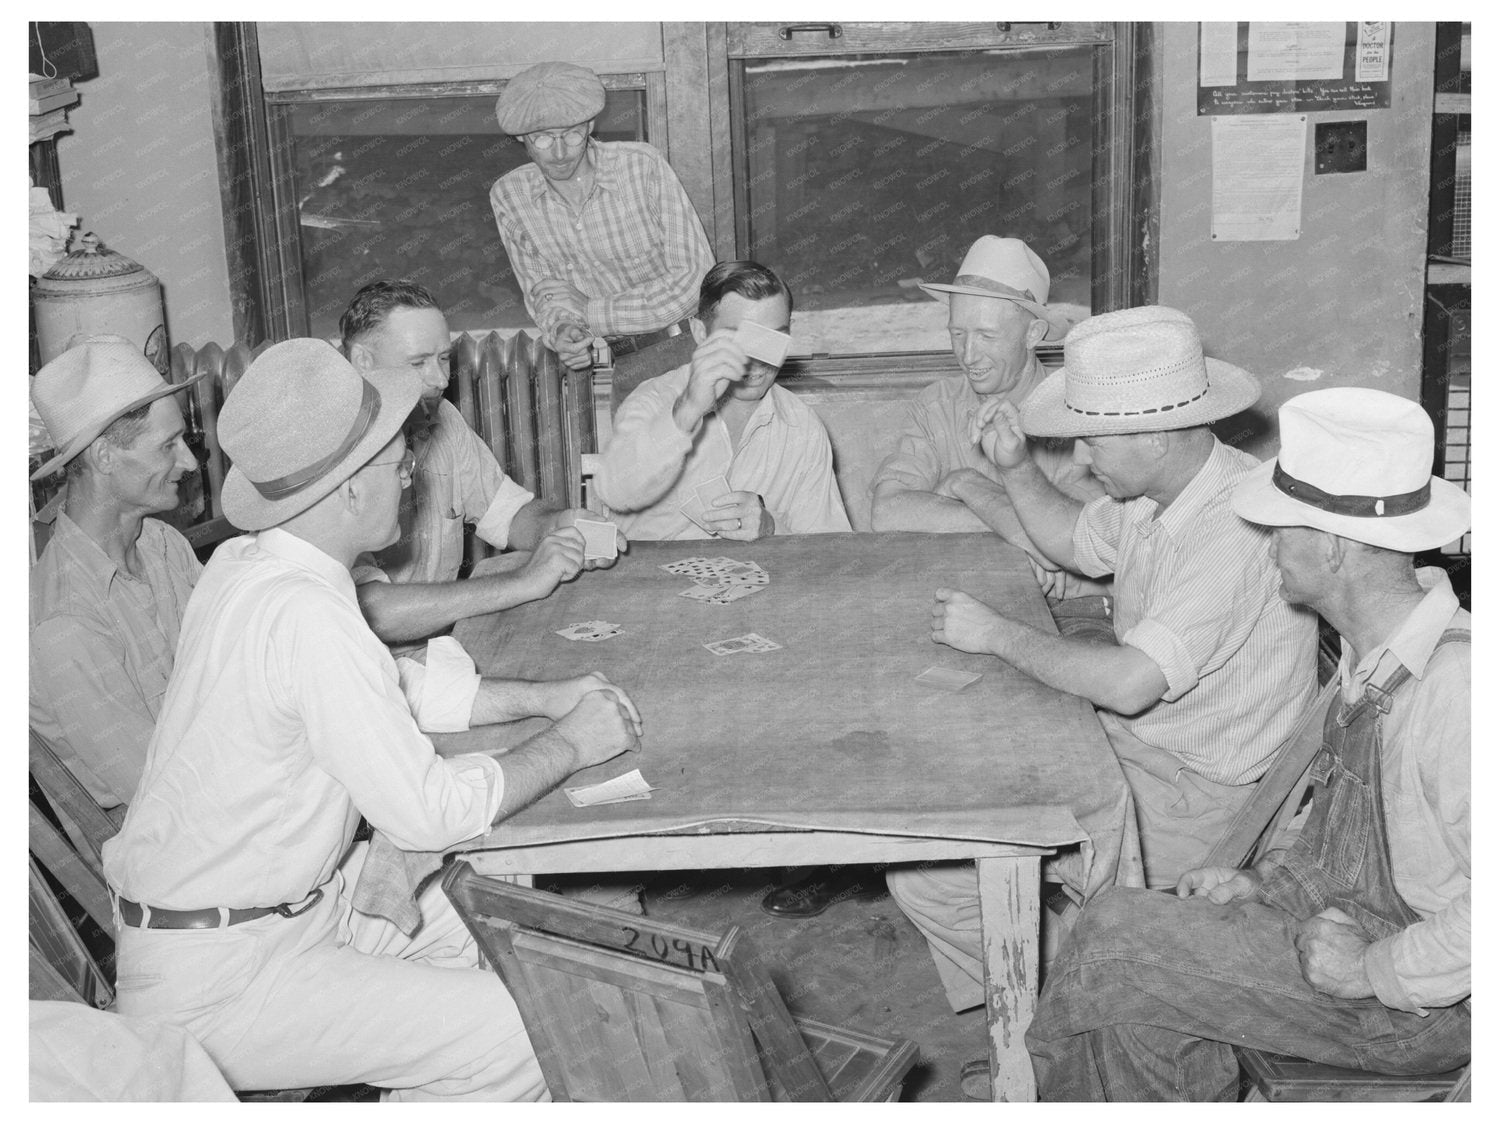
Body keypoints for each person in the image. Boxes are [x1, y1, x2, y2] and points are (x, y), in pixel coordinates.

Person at [102, 339, 644, 1100]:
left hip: (269, 917)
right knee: (524, 1030)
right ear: (351, 491)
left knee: (513, 933)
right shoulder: (308, 612)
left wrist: (541, 697)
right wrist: (573, 741)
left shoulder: (250, 566)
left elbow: (387, 690)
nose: (412, 472)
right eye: (397, 462)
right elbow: (431, 814)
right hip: (224, 977)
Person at [1027, 387, 1471, 1100]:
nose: (1266, 546)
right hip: (1347, 928)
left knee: (1112, 939)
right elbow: (1350, 839)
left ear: (1331, 547)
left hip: (1426, 1002)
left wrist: (1371, 970)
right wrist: (1265, 883)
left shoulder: (1460, 688)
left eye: (1278, 528)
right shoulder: (1375, 653)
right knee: (1132, 1010)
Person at [887, 306, 1317, 1017]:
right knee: (929, 847)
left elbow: (1125, 684)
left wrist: (996, 634)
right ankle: (1072, 997)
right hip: (1143, 751)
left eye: (1092, 442)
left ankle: (1086, 998)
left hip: (1198, 797)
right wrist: (1007, 472)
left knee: (934, 872)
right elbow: (1072, 541)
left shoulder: (1232, 526)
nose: (1082, 460)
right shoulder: (1166, 489)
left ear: (1151, 434)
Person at [340, 280, 620, 643]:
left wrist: (558, 524)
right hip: (367, 665)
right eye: (418, 362)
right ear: (363, 361)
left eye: (443, 358)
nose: (440, 379)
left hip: (438, 648)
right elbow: (373, 611)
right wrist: (522, 581)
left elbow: (508, 514)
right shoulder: (332, 453)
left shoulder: (440, 418)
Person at [29, 338, 204, 809]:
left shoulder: (162, 544)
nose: (188, 462)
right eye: (168, 445)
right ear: (104, 457)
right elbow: (166, 800)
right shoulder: (63, 625)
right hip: (178, 845)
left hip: (229, 778)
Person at [489, 61, 713, 389]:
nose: (560, 151)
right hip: (626, 363)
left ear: (591, 125)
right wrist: (565, 333)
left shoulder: (640, 166)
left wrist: (592, 312)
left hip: (694, 348)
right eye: (542, 139)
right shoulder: (510, 196)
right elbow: (545, 297)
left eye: (572, 134)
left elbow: (696, 282)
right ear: (522, 137)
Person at [594, 259, 851, 542]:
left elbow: (829, 548)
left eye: (772, 338)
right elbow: (614, 493)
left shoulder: (802, 426)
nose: (756, 359)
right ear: (701, 333)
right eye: (738, 338)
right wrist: (686, 412)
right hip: (648, 581)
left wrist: (771, 529)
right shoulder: (653, 399)